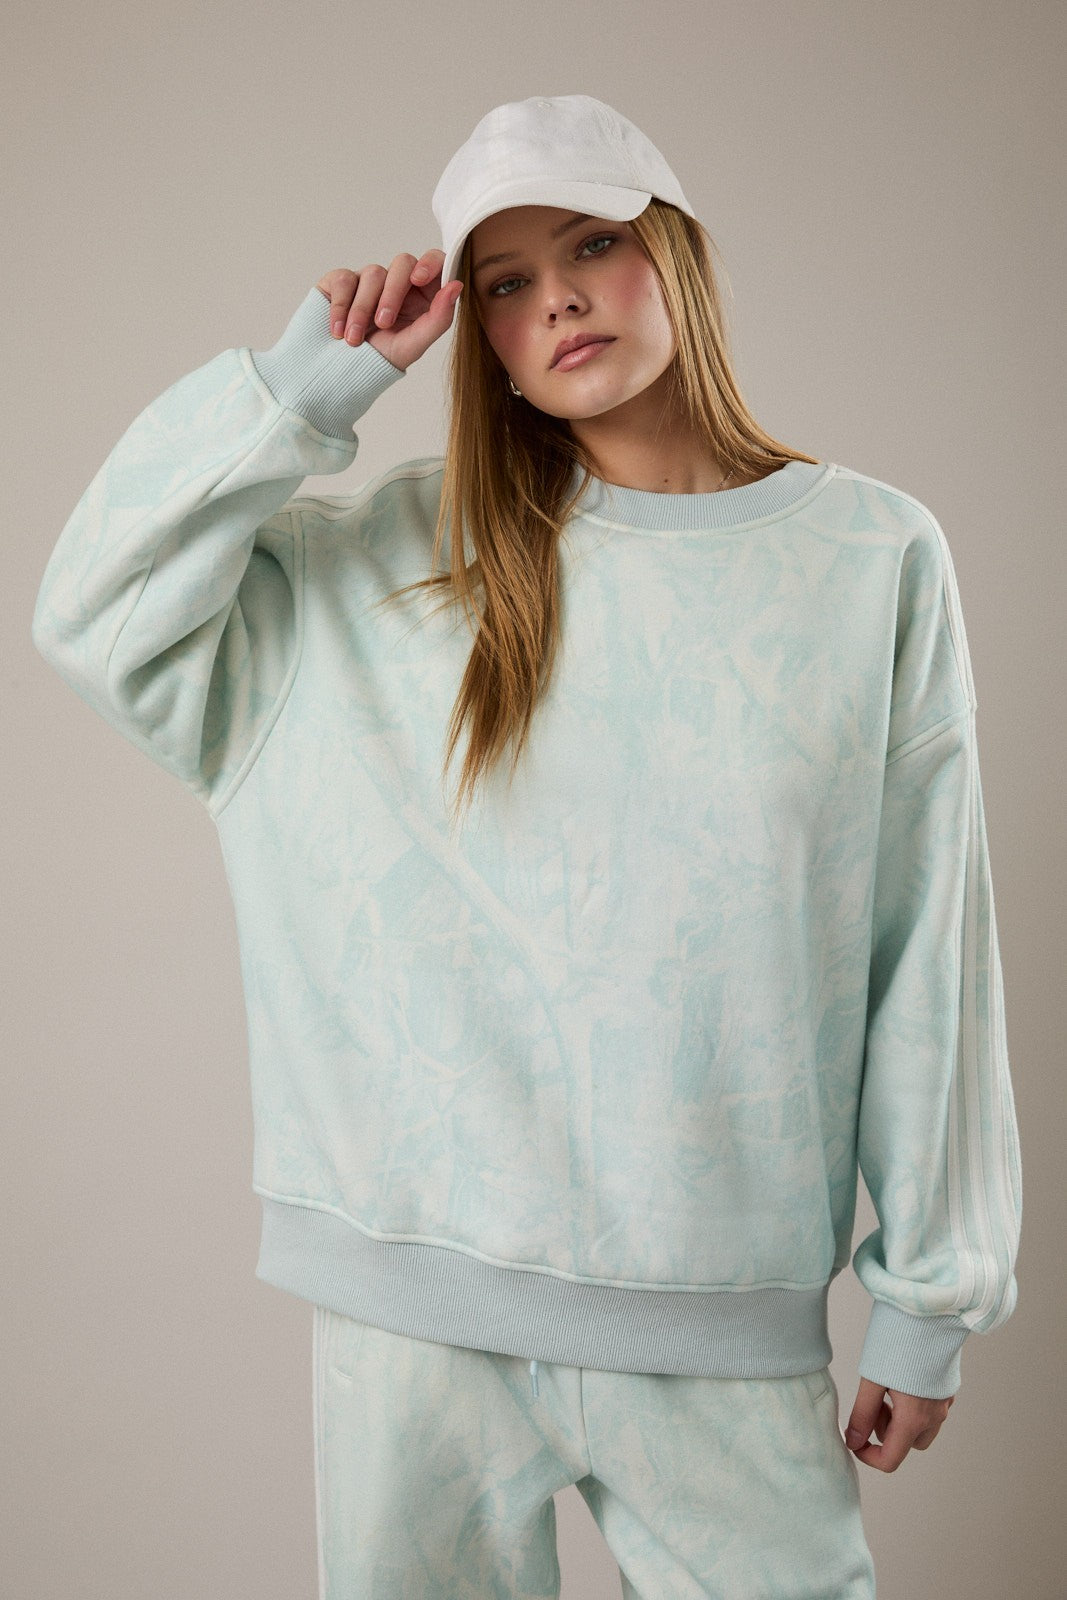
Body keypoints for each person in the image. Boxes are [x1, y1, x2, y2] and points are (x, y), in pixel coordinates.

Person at [31, 93, 1021, 1598]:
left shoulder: (871, 557)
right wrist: (300, 390)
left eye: (595, 244)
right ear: (477, 329)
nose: (557, 297)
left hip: (720, 1316)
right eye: (505, 280)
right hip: (413, 1321)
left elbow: (927, 940)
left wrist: (930, 1299)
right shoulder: (381, 563)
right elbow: (95, 613)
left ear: (676, 258)